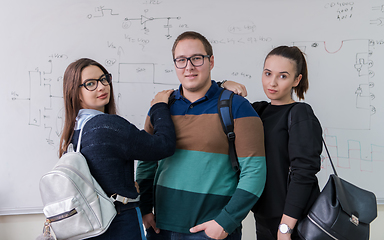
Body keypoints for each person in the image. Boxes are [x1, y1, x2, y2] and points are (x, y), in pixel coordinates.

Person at [136, 31, 267, 240]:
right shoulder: (161, 108)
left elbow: (255, 171)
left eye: (196, 58)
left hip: (212, 230)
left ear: (211, 61)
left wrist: (225, 222)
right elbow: (146, 163)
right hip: (161, 229)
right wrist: (143, 209)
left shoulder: (237, 107)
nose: (189, 67)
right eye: (181, 60)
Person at [59, 58, 176, 240]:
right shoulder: (108, 126)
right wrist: (159, 106)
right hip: (119, 224)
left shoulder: (74, 133)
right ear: (76, 93)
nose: (102, 87)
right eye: (91, 83)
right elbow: (164, 145)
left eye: (104, 79)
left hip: (89, 228)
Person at [224, 46, 322, 240]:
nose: (273, 83)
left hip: (295, 223)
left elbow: (304, 172)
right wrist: (223, 84)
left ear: (297, 80)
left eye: (283, 76)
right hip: (264, 220)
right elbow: (220, 111)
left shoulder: (300, 113)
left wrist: (286, 227)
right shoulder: (258, 111)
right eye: (268, 73)